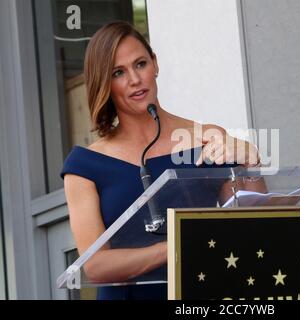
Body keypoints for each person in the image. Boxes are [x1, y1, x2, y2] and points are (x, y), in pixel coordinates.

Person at [61, 21, 266, 300]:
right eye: (118, 72)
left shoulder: (205, 137)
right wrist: (177, 245)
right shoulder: (84, 165)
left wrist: (250, 162)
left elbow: (255, 224)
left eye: (140, 64)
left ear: (155, 64)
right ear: (105, 84)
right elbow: (95, 266)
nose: (134, 79)